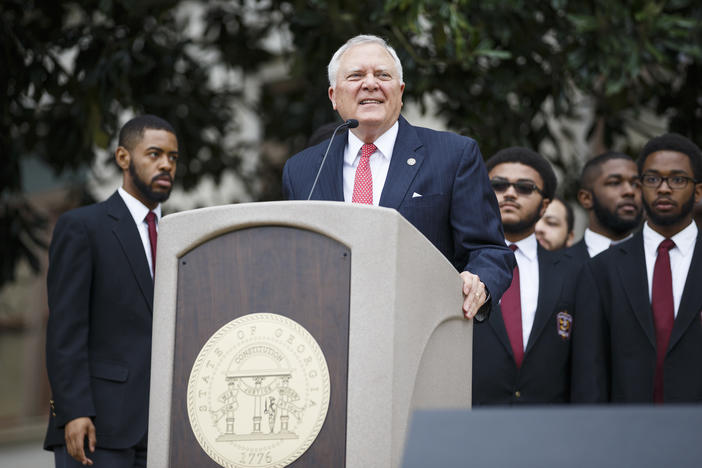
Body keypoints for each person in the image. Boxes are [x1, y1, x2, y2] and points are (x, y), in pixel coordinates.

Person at [282, 34, 514, 321]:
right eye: (356, 75)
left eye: (383, 75)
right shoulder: (302, 169)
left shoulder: (454, 156)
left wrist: (479, 281)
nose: (370, 83)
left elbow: (489, 250)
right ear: (333, 96)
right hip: (328, 328)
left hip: (420, 327)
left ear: (400, 92)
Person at [44, 115, 179, 466]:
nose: (166, 164)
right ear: (123, 157)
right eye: (154, 154)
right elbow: (65, 329)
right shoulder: (82, 227)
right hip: (96, 428)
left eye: (173, 157)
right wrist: (73, 412)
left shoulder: (182, 234)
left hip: (167, 430)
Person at [571, 133, 702, 403]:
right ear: (641, 188)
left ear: (698, 191)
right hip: (626, 434)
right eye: (653, 179)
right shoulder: (601, 270)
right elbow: (590, 372)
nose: (664, 188)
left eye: (677, 179)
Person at [472, 147, 574, 404]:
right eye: (498, 185)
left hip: (550, 427)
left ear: (545, 206)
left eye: (525, 188)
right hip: (470, 423)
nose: (510, 193)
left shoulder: (575, 271)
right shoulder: (453, 264)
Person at [564, 152, 643, 264]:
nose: (630, 191)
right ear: (586, 198)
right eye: (615, 183)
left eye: (636, 184)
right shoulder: (557, 266)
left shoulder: (659, 262)